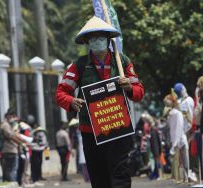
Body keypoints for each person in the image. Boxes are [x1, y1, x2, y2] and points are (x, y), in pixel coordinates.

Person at [55, 16, 144, 188]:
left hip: (119, 129)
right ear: (87, 42)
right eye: (93, 38)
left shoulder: (122, 62)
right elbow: (60, 93)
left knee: (121, 176)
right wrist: (71, 100)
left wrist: (129, 88)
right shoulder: (79, 66)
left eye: (101, 36)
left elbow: (139, 92)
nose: (97, 41)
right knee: (99, 178)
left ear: (109, 40)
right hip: (91, 133)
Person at [164, 94, 189, 183]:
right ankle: (184, 177)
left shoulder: (176, 114)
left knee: (183, 161)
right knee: (183, 161)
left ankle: (185, 177)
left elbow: (178, 128)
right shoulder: (172, 114)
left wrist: (174, 142)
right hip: (178, 139)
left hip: (178, 139)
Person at [0, 108, 27, 182]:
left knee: (12, 170)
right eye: (12, 116)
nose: (13, 118)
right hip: (9, 150)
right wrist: (21, 143)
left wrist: (25, 141)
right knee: (12, 170)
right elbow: (11, 136)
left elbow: (14, 135)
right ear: (9, 116)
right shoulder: (5, 125)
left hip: (12, 150)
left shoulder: (9, 125)